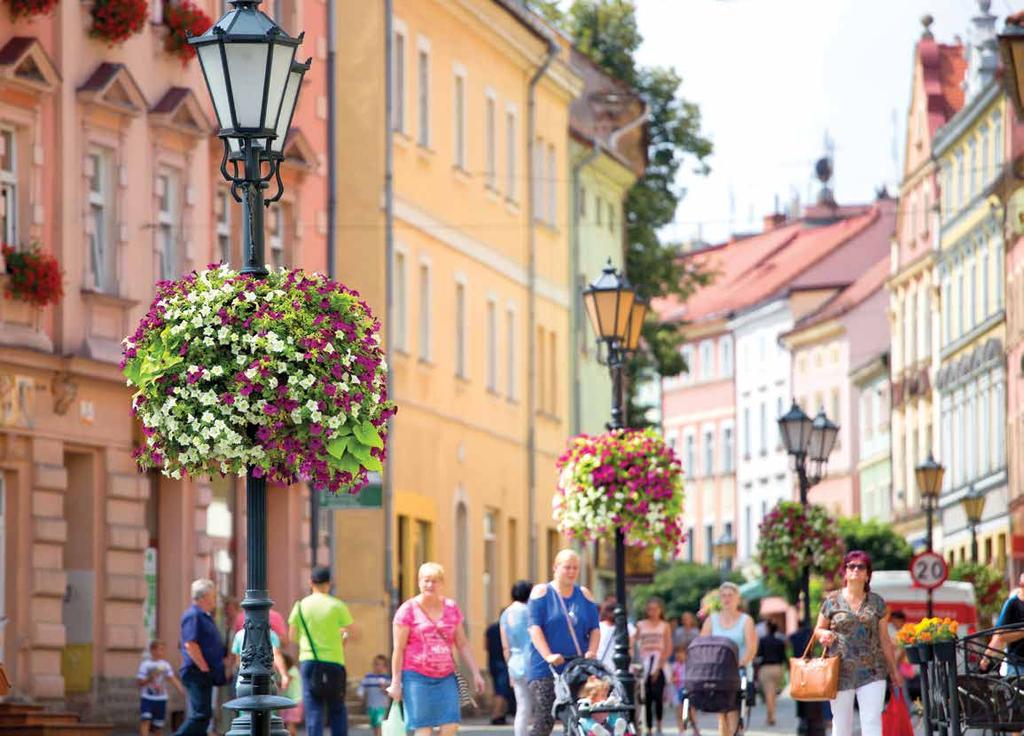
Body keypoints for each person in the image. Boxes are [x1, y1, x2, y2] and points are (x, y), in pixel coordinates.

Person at [386, 562, 485, 735]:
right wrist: (396, 682)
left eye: (435, 581)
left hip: (446, 677)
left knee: (451, 725)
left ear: (442, 583)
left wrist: (476, 673)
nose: (430, 585)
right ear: (419, 582)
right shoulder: (407, 611)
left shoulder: (451, 608)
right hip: (416, 677)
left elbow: (462, 643)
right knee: (423, 729)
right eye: (426, 580)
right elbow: (398, 649)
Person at [815, 550, 903, 736]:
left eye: (860, 566)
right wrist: (824, 634)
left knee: (872, 722)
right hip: (840, 671)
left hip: (873, 671)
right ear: (845, 572)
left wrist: (894, 671)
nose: (855, 569)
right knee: (841, 725)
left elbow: (885, 639)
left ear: (867, 574)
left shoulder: (877, 603)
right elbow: (818, 629)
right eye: (850, 566)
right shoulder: (832, 601)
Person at [526, 549, 601, 736]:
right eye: (567, 567)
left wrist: (592, 651)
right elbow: (534, 628)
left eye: (575, 568)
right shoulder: (542, 593)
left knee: (581, 718)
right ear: (555, 567)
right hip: (546, 669)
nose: (571, 571)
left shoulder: (584, 595)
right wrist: (548, 655)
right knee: (545, 720)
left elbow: (594, 629)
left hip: (577, 666)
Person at [288, 566, 355, 736]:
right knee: (337, 708)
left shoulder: (301, 606)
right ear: (329, 584)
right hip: (334, 661)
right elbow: (349, 632)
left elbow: (292, 636)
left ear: (310, 582)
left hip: (309, 661)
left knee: (313, 709)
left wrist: (307, 644)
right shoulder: (337, 605)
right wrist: (338, 641)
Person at [700, 582, 757, 736]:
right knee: (722, 715)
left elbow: (752, 648)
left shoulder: (746, 620)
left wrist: (741, 663)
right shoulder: (711, 620)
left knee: (733, 714)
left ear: (737, 598)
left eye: (730, 595)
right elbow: (702, 646)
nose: (727, 599)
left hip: (739, 674)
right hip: (718, 675)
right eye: (723, 595)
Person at [174, 579, 226, 736]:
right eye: (213, 596)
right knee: (200, 715)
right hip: (196, 672)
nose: (214, 600)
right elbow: (191, 644)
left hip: (203, 673)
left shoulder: (204, 616)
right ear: (203, 597)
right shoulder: (194, 615)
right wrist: (204, 667)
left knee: (204, 715)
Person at [500, 580, 533, 736]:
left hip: (515, 662)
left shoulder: (505, 614)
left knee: (522, 707)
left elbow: (505, 645)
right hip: (533, 661)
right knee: (541, 707)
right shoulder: (530, 611)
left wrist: (509, 667)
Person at [636, 597, 672, 736]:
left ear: (660, 610)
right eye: (650, 609)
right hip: (644, 663)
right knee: (647, 697)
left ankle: (659, 724)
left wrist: (659, 666)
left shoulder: (665, 625)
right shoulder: (641, 625)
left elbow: (668, 647)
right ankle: (649, 727)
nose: (653, 612)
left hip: (659, 663)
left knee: (658, 696)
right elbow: (636, 643)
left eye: (656, 609)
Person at [138, 640, 185, 736]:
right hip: (147, 698)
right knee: (145, 720)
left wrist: (181, 688)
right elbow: (140, 682)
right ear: (152, 650)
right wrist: (150, 678)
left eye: (162, 650)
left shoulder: (165, 665)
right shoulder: (145, 665)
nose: (160, 652)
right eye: (158, 649)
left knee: (158, 725)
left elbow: (172, 678)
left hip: (161, 698)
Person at [228, 623, 289, 688]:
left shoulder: (239, 635)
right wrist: (284, 675)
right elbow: (276, 655)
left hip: (244, 682)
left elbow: (238, 661)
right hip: (266, 681)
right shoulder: (271, 634)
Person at [755, 621, 786, 727]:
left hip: (766, 668)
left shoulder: (762, 641)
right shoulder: (780, 642)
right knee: (773, 693)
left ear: (767, 628)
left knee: (769, 693)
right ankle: (772, 715)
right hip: (778, 668)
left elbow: (758, 654)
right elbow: (783, 657)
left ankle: (771, 717)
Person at [596, 598, 636, 673]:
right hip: (619, 668)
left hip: (601, 667)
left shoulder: (598, 627)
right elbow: (630, 650)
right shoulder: (628, 628)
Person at [358, 654, 392, 736]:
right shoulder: (368, 677)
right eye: (376, 664)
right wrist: (360, 693)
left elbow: (391, 691)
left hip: (382, 706)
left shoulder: (387, 678)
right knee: (374, 725)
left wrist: (385, 689)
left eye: (381, 665)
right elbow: (362, 685)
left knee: (379, 724)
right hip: (371, 705)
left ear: (385, 667)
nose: (378, 667)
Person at [669, 643, 698, 736]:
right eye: (677, 654)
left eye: (681, 653)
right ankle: (681, 730)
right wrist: (674, 679)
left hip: (689, 690)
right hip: (678, 691)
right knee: (679, 712)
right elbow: (672, 678)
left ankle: (695, 729)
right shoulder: (674, 666)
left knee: (692, 711)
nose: (679, 656)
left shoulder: (690, 666)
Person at [486, 621, 512, 725]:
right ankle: (497, 715)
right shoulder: (507, 628)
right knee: (502, 690)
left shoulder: (491, 628)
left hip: (492, 661)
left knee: (497, 688)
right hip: (504, 661)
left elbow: (485, 645)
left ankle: (500, 715)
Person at [280, 652, 303, 736]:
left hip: (294, 701)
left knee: (290, 725)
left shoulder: (292, 670)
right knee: (289, 725)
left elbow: (284, 685)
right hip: (290, 701)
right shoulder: (291, 670)